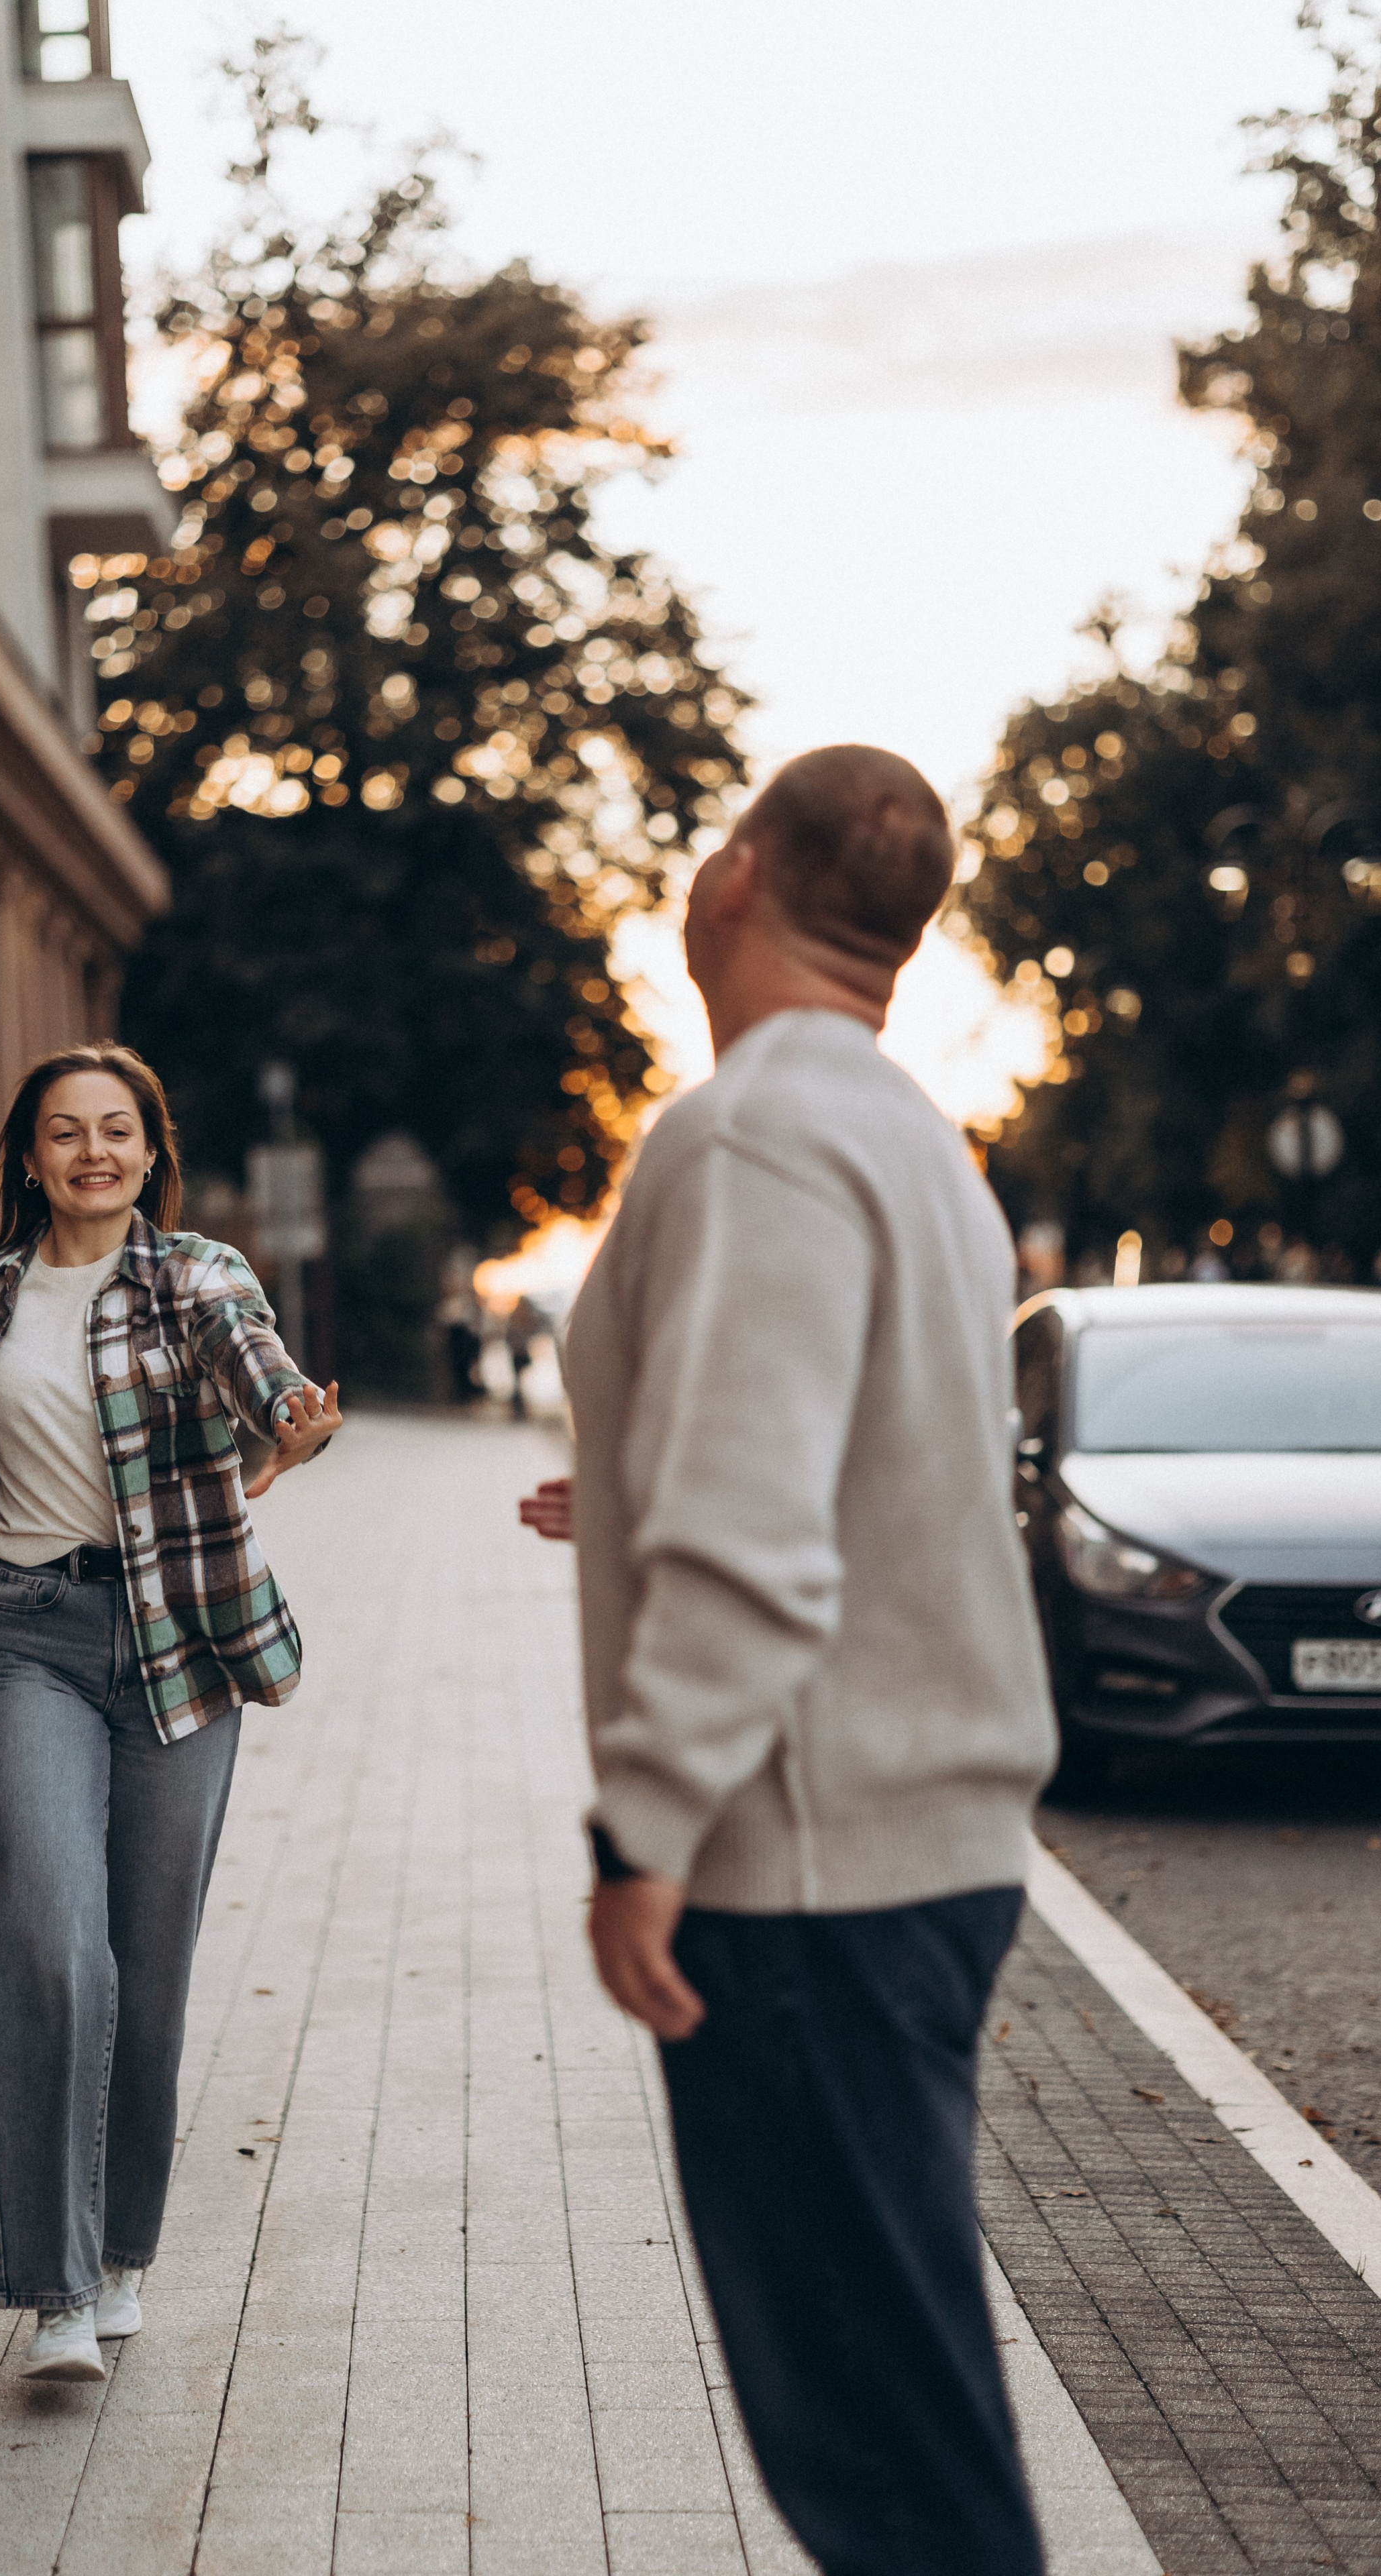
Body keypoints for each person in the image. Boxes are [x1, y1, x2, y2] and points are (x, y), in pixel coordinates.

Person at [521, 746, 1056, 2576]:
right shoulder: (912, 1135)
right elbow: (865, 1463)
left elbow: (761, 1544)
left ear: (739, 876)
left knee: (889, 2472)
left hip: (810, 1883)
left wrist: (643, 1835)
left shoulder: (755, 1128)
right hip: (917, 1858)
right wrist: (640, 1490)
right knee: (905, 2426)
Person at [0, 1043, 339, 2383]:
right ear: (27, 1155)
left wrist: (286, 1425)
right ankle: (57, 2289)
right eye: (65, 1132)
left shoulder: (199, 1276)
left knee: (150, 1969)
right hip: (26, 1640)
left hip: (176, 1646)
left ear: (147, 1150)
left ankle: (123, 2252)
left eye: (115, 1130)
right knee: (54, 1947)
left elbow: (255, 1376)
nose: (92, 1153)